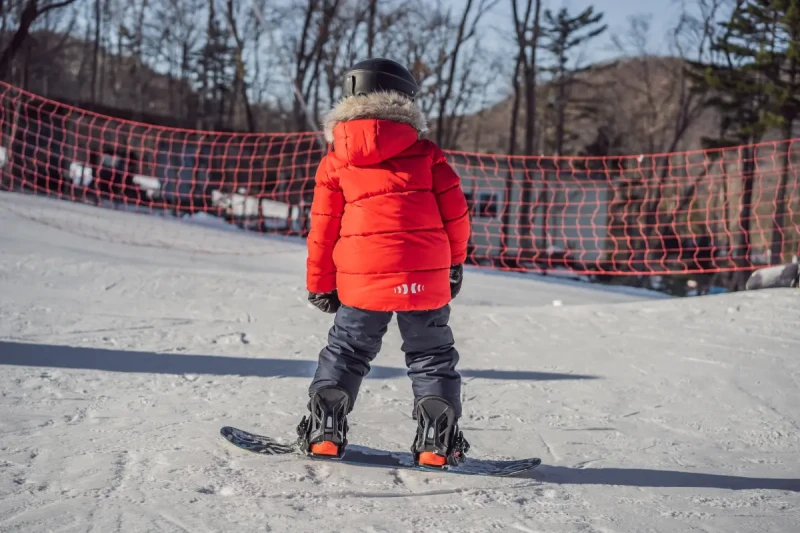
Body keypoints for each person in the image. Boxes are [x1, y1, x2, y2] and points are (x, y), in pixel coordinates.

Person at [296, 58, 471, 468]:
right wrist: (455, 264)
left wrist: (320, 283)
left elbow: (323, 229)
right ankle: (436, 444)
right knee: (431, 356)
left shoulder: (336, 160)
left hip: (361, 279)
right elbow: (456, 215)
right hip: (423, 277)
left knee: (347, 350)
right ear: (404, 98)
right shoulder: (427, 154)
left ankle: (325, 430)